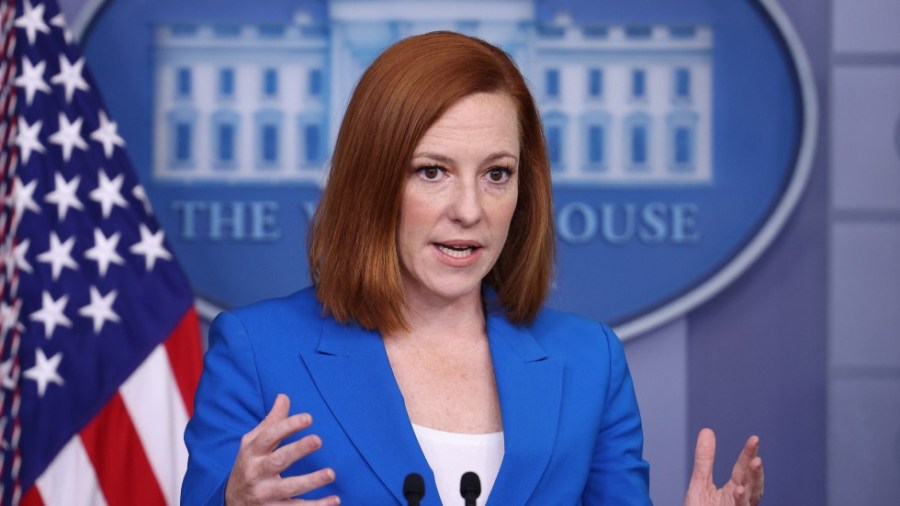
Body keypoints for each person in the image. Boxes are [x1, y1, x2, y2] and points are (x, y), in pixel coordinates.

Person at [182, 31, 764, 505]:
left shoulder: (589, 361)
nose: (469, 211)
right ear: (372, 181)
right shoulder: (258, 350)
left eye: (497, 174)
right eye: (432, 171)